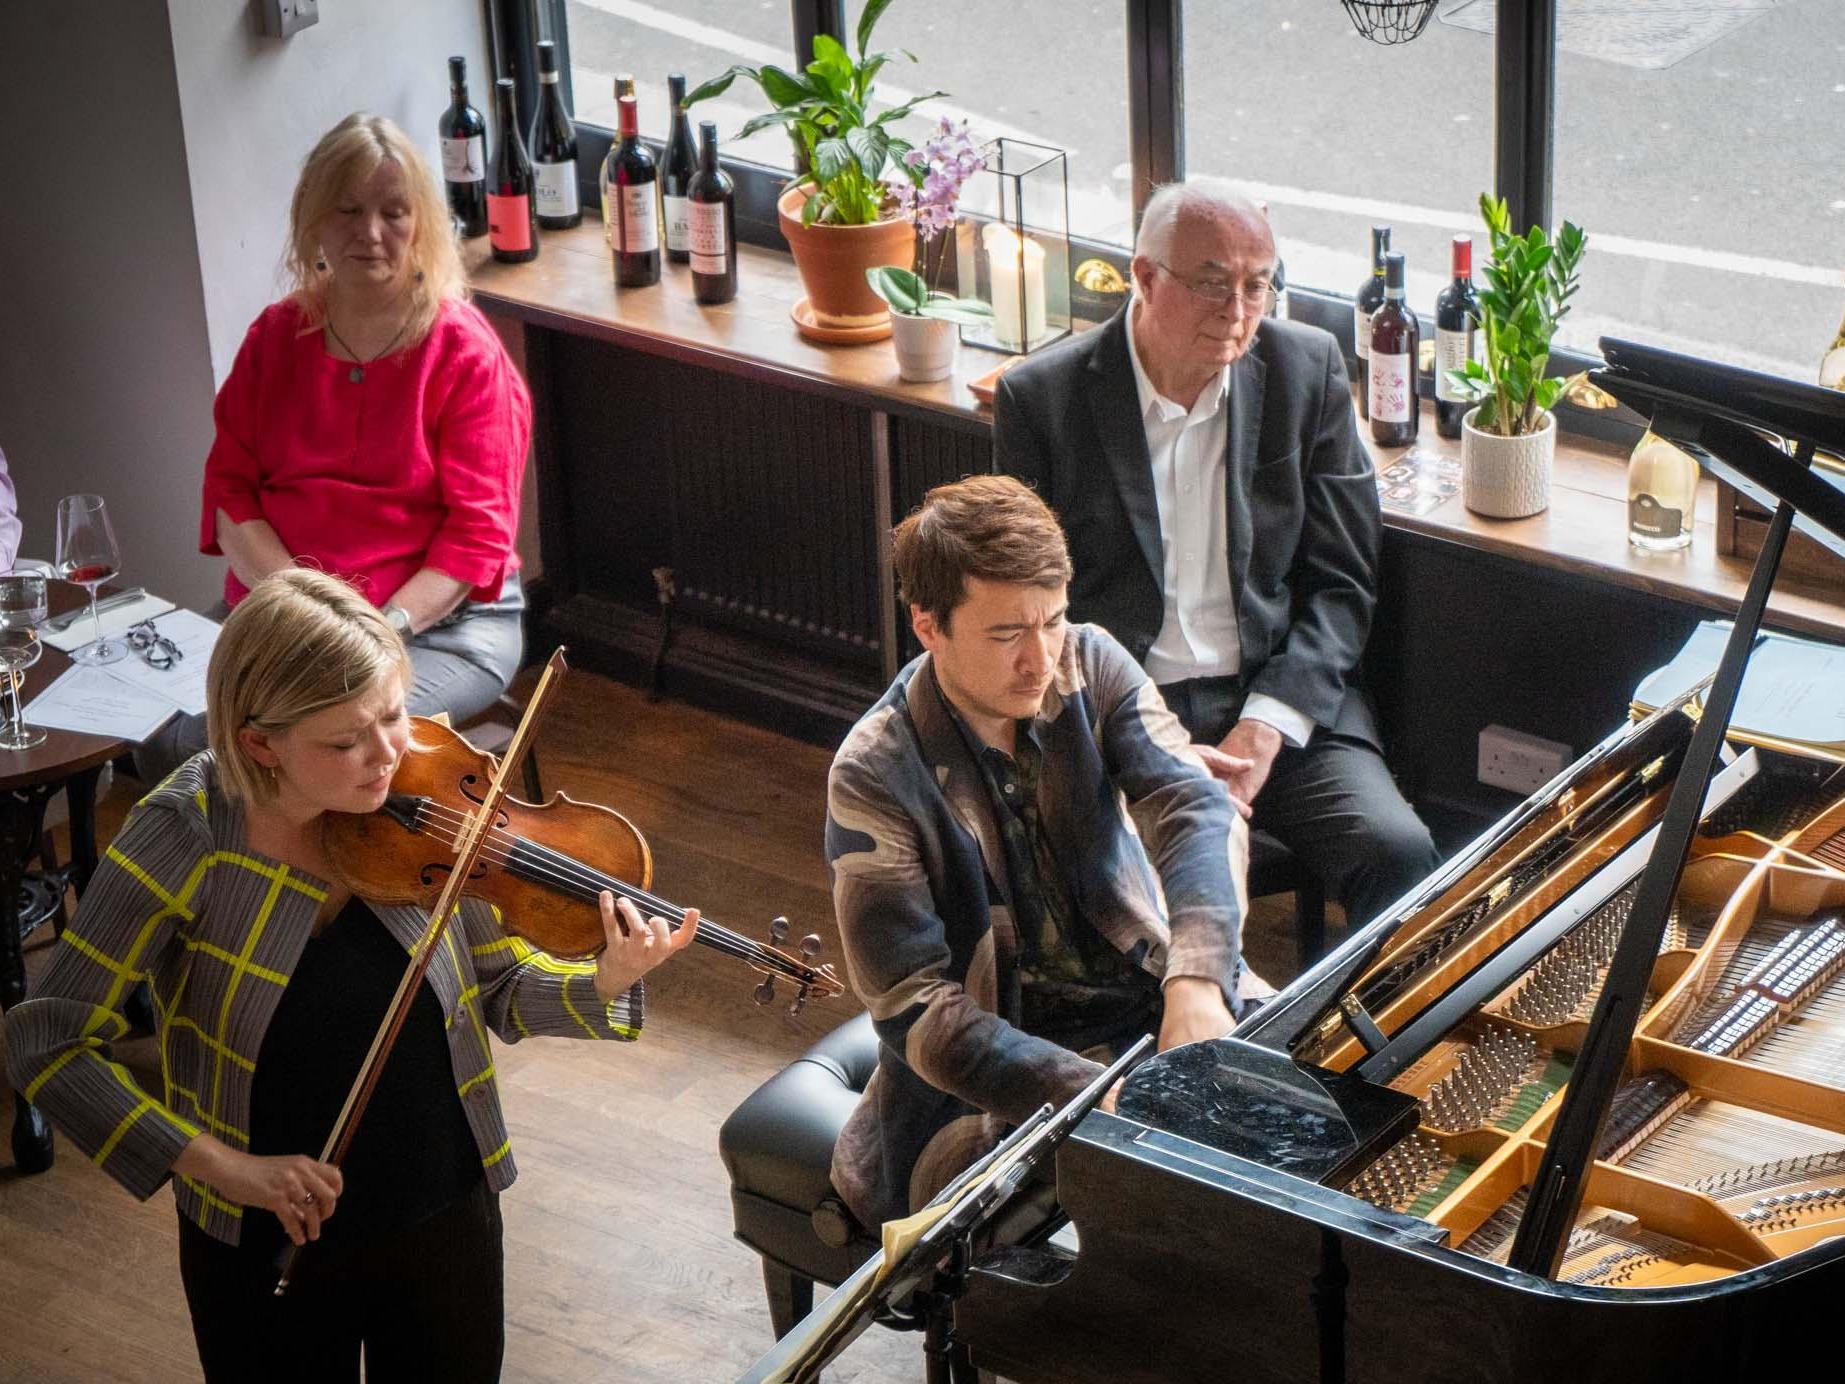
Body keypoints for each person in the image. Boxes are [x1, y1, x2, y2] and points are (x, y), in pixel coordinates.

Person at [4, 569, 697, 1382]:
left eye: (394, 714)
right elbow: (46, 1041)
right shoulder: (185, 835)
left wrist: (606, 979)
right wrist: (225, 1169)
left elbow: (499, 990)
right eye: (344, 742)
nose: (389, 755)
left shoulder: (428, 800)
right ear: (260, 743)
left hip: (445, 1202)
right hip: (266, 1231)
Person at [992, 177, 1440, 931]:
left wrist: (1265, 725)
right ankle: (1163, 1045)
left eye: (1256, 286)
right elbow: (1025, 607)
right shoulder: (1042, 399)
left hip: (1278, 698)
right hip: (1120, 708)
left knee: (1397, 854)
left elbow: (1342, 583)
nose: (1236, 314)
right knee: (1106, 883)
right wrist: (1146, 744)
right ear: (1143, 276)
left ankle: (1347, 1051)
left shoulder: (1308, 371)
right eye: (1210, 286)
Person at [825, 475, 1254, 1229]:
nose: (1039, 658)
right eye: (1004, 634)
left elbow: (1190, 804)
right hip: (993, 1077)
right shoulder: (872, 774)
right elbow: (917, 1013)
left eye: (1052, 621)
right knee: (1153, 1235)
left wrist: (1194, 979)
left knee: (1323, 1117)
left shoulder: (1089, 661)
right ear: (928, 626)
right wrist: (1100, 1094)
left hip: (1146, 997)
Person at [137, 112, 532, 783]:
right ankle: (221, 886)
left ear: (422, 225)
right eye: (347, 209)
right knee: (159, 733)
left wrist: (369, 630)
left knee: (306, 752)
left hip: (432, 629)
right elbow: (232, 493)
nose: (370, 232)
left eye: (393, 212)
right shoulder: (276, 336)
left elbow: (474, 538)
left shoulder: (462, 351)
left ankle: (308, 888)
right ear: (313, 218)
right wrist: (304, 611)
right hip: (281, 618)